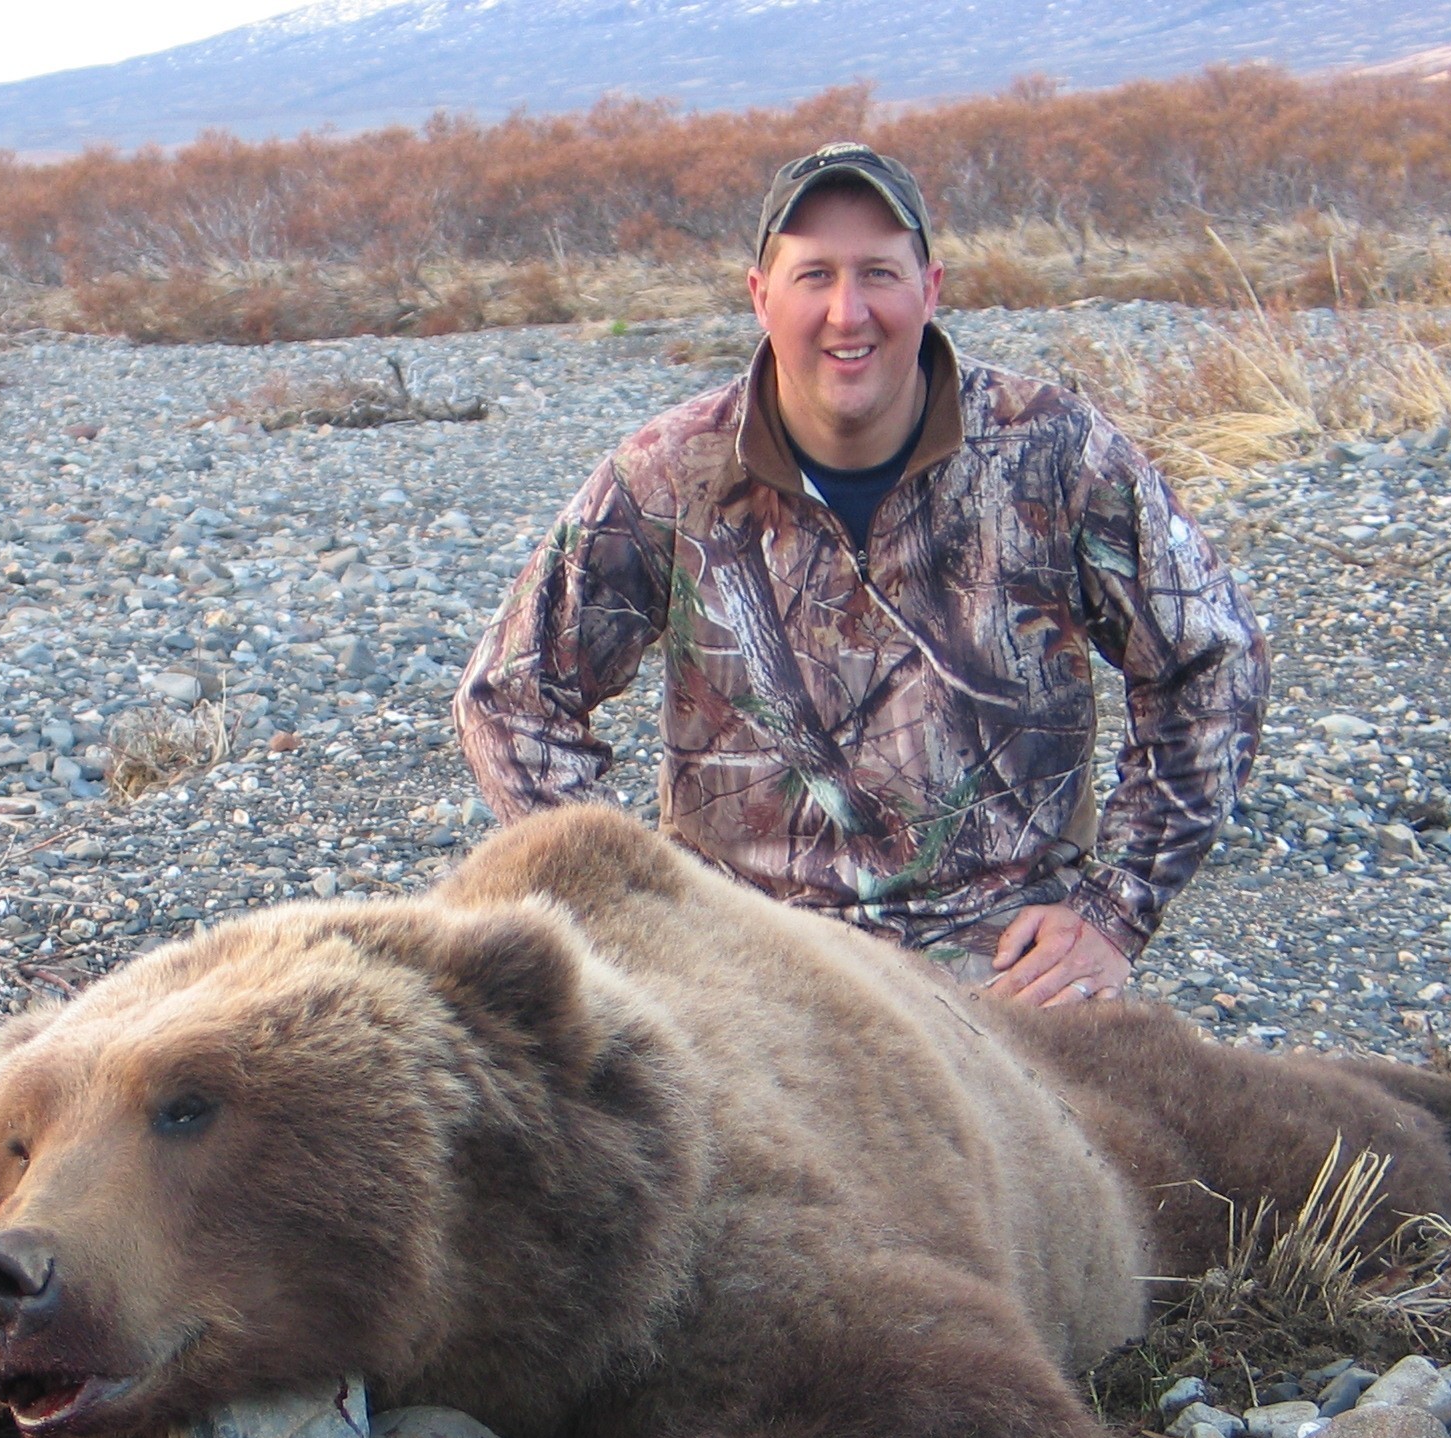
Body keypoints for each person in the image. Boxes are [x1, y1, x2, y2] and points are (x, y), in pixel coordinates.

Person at [453, 141, 1269, 1006]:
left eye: (878, 272)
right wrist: (634, 918)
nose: (849, 313)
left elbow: (1214, 662)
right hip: (746, 970)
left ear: (931, 288)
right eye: (814, 277)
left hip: (1006, 969)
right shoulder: (671, 472)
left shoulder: (1057, 453)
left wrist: (1112, 913)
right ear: (760, 297)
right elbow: (510, 698)